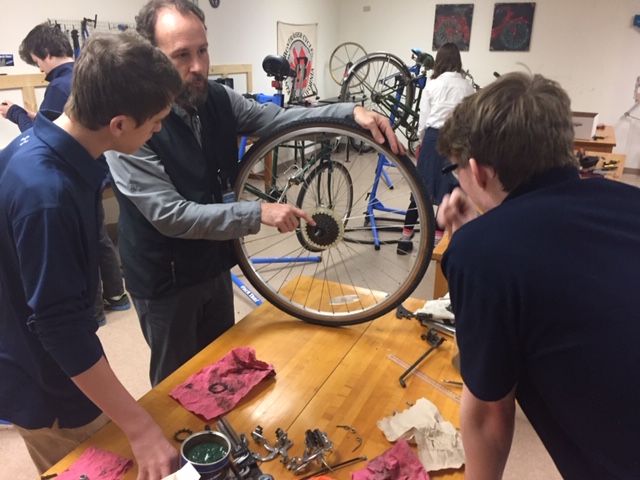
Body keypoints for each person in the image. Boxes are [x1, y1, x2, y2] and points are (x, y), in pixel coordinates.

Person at [105, 0, 404, 387]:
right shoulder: (131, 125)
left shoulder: (215, 99)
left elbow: (281, 122)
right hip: (165, 281)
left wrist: (349, 114)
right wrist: (256, 212)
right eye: (181, 55)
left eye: (202, 50)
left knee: (222, 373)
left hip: (214, 263)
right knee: (176, 388)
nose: (197, 67)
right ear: (152, 59)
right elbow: (170, 215)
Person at [436, 72, 640, 479]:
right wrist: (480, 237)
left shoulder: (482, 254)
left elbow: (489, 417)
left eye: (453, 168)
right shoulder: (628, 200)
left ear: (476, 171)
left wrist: (473, 246)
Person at [0, 32, 183, 478]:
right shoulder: (47, 194)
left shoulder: (46, 151)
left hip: (44, 363)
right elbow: (59, 328)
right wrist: (139, 427)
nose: (159, 128)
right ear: (119, 123)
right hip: (50, 386)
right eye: (156, 120)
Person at [0, 22, 131, 324]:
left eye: (36, 61)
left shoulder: (59, 86)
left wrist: (17, 114)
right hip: (97, 171)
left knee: (85, 242)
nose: (39, 68)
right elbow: (67, 124)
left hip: (72, 176)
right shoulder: (87, 75)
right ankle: (117, 295)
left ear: (43, 53)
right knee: (97, 236)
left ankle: (95, 313)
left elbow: (47, 137)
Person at [397, 42, 474, 255]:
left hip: (433, 138)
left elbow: (423, 119)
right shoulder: (467, 87)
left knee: (419, 188)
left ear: (438, 61)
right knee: (446, 192)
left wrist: (421, 141)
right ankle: (436, 245)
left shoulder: (432, 85)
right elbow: (469, 120)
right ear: (458, 60)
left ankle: (404, 239)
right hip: (457, 141)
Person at [0, 23, 73, 132]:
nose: (41, 70)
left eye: (37, 62)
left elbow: (38, 137)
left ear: (46, 53)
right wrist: (31, 115)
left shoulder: (58, 87)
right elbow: (62, 123)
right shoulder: (83, 75)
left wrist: (14, 112)